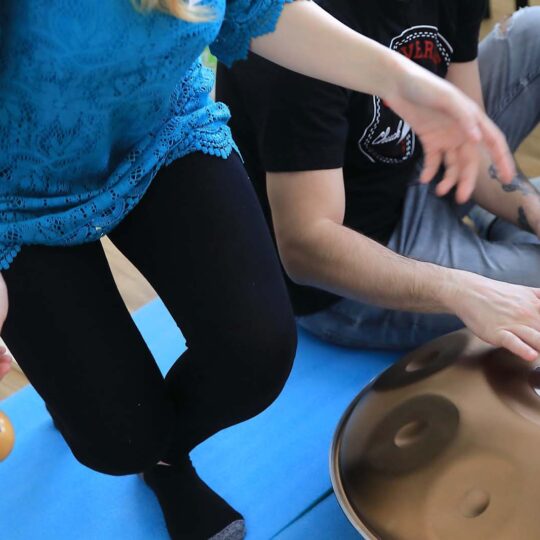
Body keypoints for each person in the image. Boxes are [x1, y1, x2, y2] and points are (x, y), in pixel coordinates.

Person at [0, 0, 515, 538]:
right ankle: (99, 410)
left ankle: (165, 458)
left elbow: (259, 9)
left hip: (157, 128)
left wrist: (402, 80)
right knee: (117, 440)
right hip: (15, 196)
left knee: (254, 355)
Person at [217, 1, 540, 360]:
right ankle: (486, 235)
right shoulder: (294, 29)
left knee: (536, 29)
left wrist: (534, 212)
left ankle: (488, 227)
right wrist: (461, 290)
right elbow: (305, 248)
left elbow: (470, 153)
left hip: (418, 168)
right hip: (348, 273)